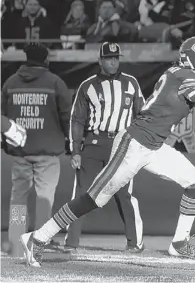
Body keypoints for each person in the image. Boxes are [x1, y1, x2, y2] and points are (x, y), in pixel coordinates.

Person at [20, 36, 195, 267]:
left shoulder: (184, 78)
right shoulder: (183, 76)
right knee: (93, 198)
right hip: (134, 143)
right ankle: (38, 237)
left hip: (154, 145)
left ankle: (180, 242)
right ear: (194, 60)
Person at [64, 42, 145, 253]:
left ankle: (134, 243)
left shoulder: (131, 83)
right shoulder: (88, 86)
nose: (113, 61)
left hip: (121, 144)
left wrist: (139, 146)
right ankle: (71, 242)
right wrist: (75, 150)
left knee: (123, 194)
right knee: (82, 193)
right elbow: (77, 119)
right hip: (94, 143)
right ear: (100, 60)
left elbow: (142, 116)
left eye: (116, 57)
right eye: (109, 58)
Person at [2, 42, 72, 249]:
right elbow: (66, 116)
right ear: (45, 59)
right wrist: (70, 141)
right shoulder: (55, 82)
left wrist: (7, 141)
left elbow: (2, 116)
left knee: (18, 198)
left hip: (20, 151)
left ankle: (15, 238)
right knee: (44, 197)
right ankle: (41, 239)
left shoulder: (11, 83)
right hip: (48, 152)